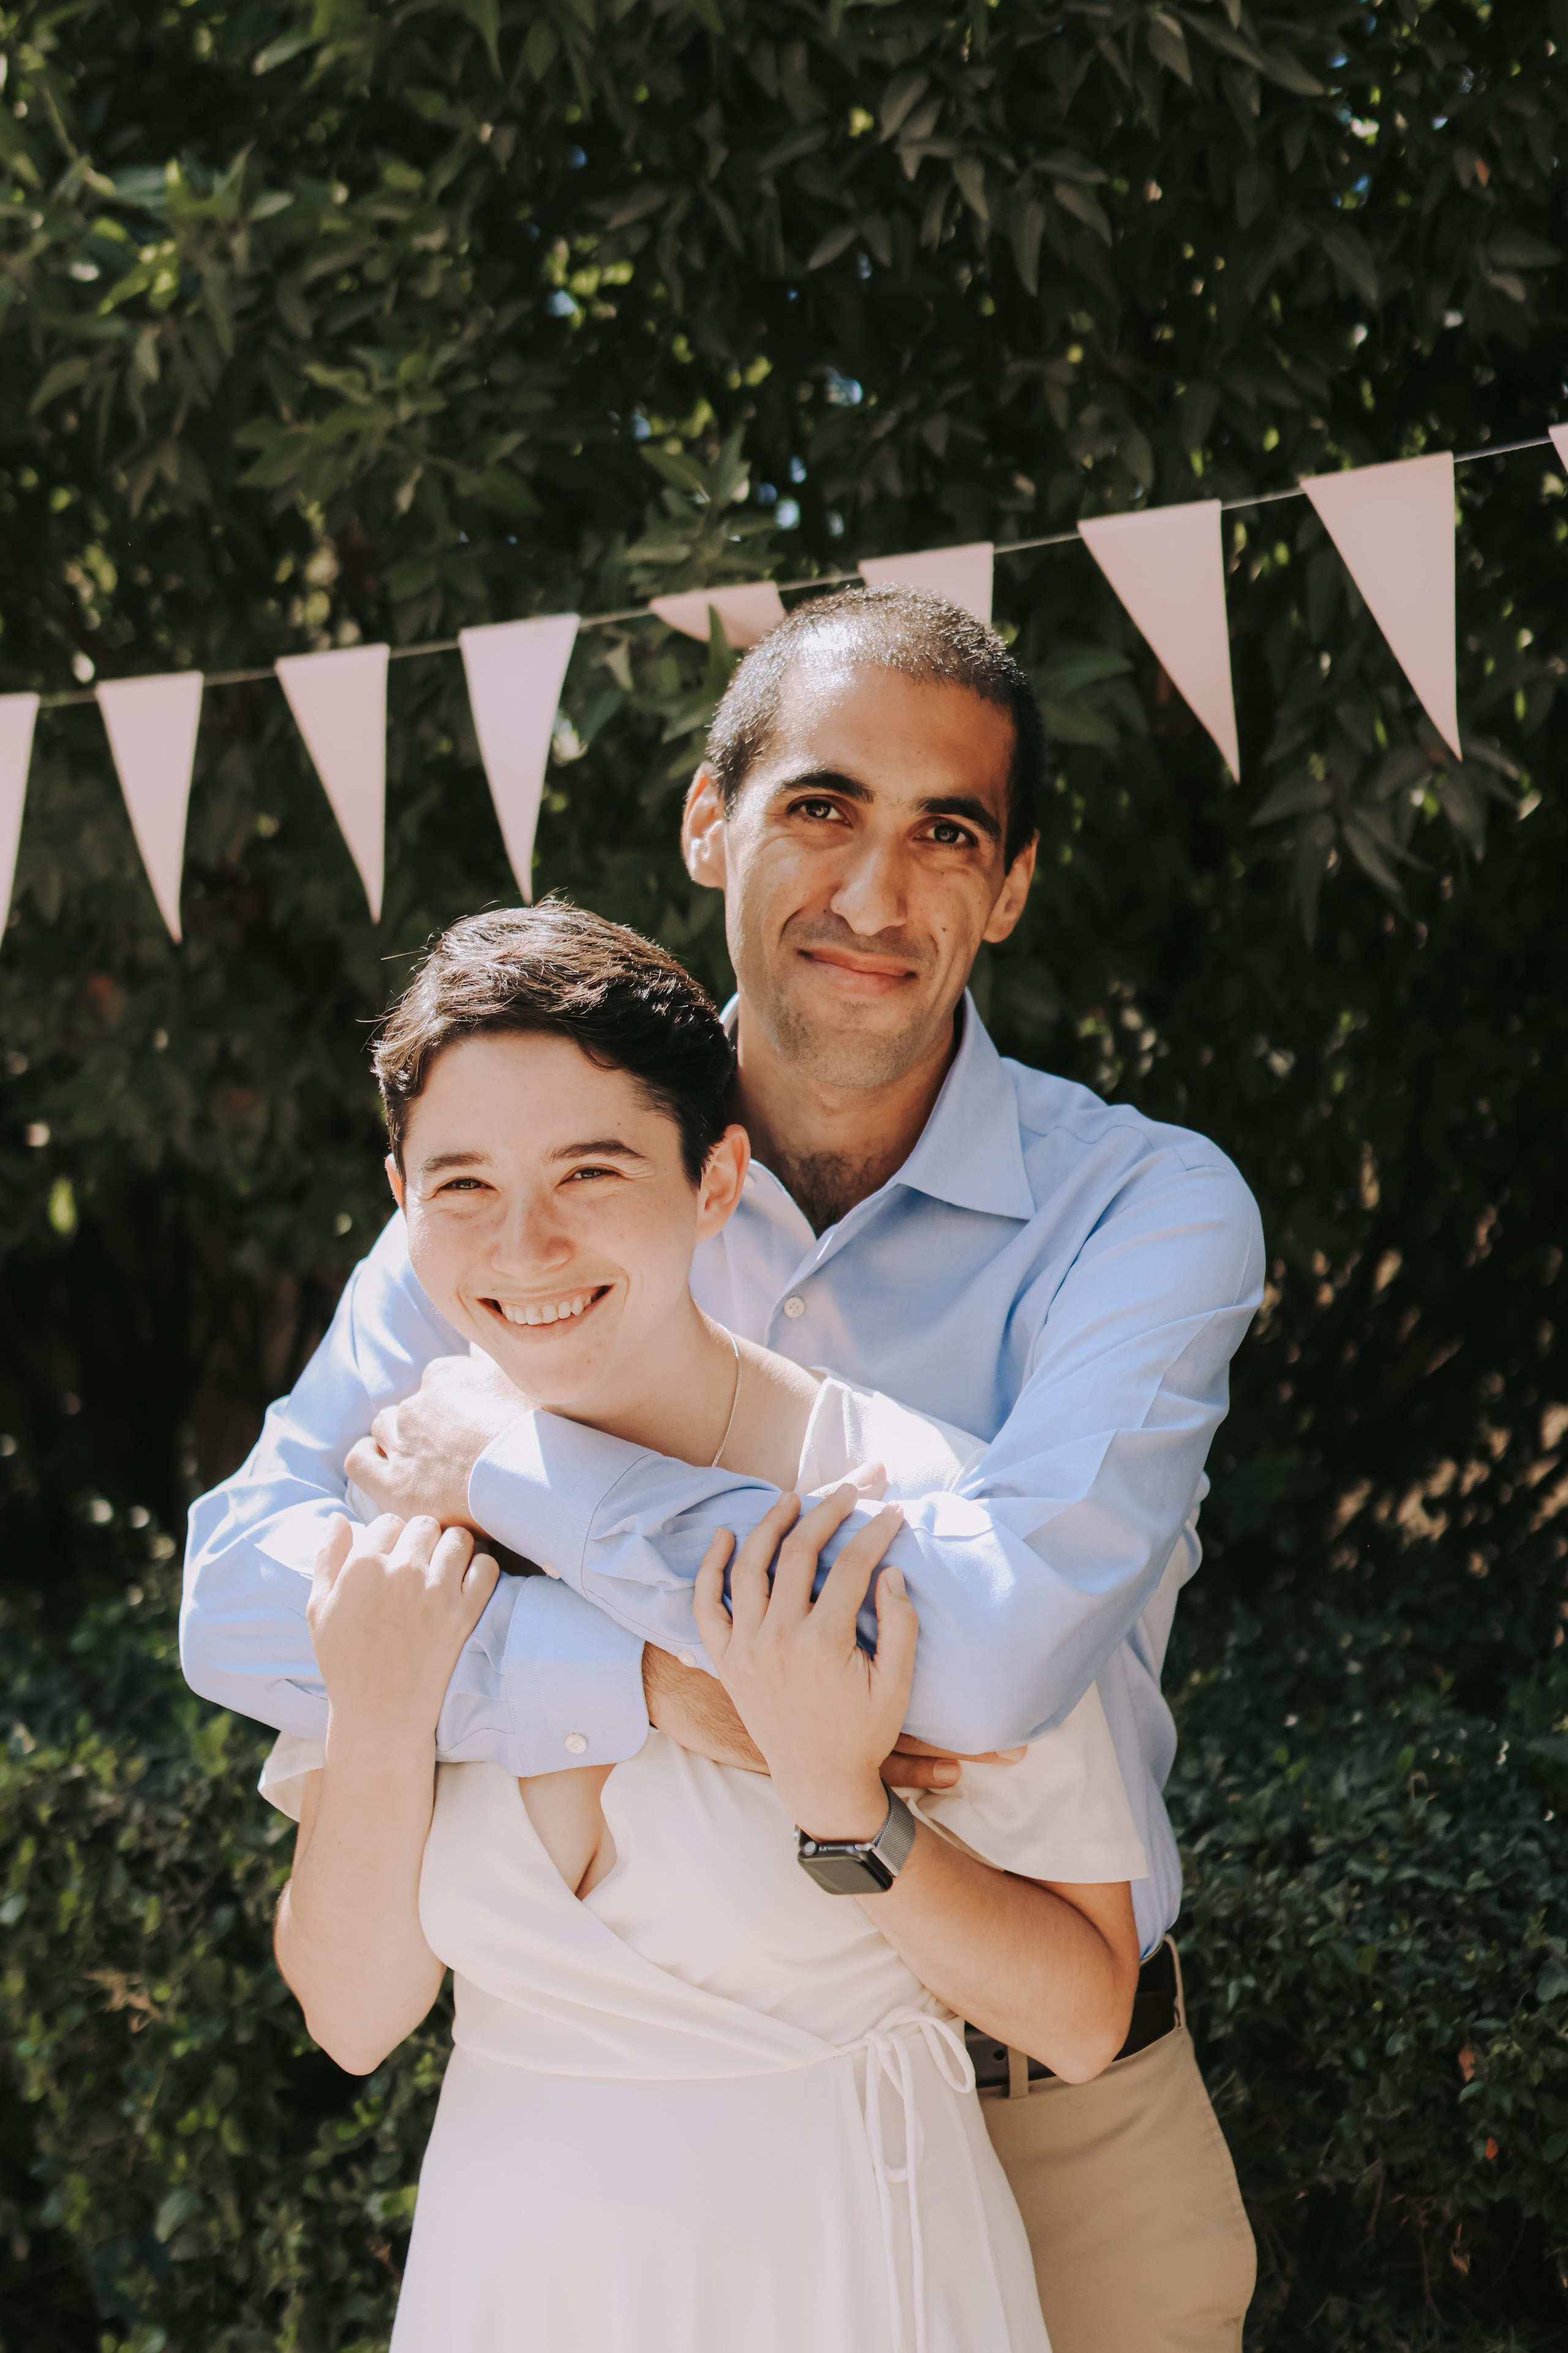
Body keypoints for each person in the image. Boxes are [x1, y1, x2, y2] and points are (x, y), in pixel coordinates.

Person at [182, 585, 1265, 2351]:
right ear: (708, 821)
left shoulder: (1142, 1209)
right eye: (821, 805)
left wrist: (524, 1476)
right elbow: (242, 1597)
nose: (875, 892)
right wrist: (642, 1679)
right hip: (590, 2172)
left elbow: (990, 1652)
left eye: (947, 833)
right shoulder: (526, 1204)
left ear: (1010, 885)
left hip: (1044, 2091)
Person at [271, 907, 1147, 2351]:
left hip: (838, 2271)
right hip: (512, 2282)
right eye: (462, 1184)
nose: (525, 1243)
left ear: (716, 1179)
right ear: (400, 1201)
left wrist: (845, 1811)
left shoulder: (903, 1505)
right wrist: (374, 1716)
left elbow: (1080, 2013)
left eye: (590, 1171)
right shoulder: (401, 1505)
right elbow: (354, 2015)